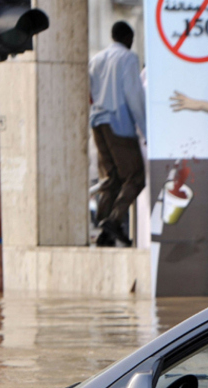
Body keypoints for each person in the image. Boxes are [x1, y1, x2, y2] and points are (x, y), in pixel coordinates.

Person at [89, 21, 147, 247]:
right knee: (135, 177)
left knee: (111, 179)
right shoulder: (128, 59)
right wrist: (144, 129)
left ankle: (105, 232)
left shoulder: (96, 59)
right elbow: (133, 95)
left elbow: (89, 93)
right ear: (128, 39)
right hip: (118, 124)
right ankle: (113, 221)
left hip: (98, 124)